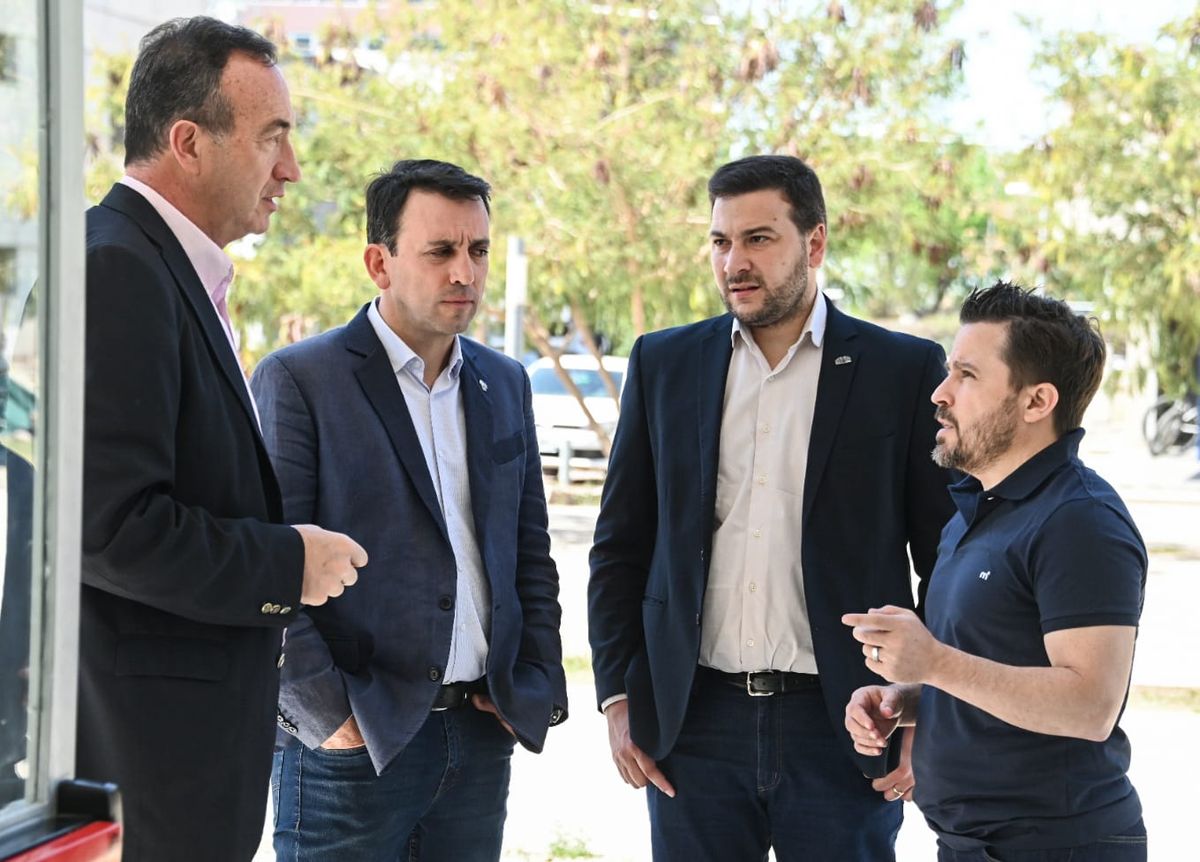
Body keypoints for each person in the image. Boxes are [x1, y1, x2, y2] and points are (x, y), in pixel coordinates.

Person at [588, 154, 954, 861]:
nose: (735, 263)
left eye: (759, 239)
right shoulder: (664, 364)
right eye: (721, 242)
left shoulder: (901, 370)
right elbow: (620, 548)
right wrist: (618, 699)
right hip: (694, 725)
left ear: (814, 244)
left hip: (846, 720)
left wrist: (924, 706)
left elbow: (944, 555)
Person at [80, 17, 366, 861]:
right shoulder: (120, 269)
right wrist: (290, 564)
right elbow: (109, 528)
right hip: (145, 775)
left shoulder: (159, 269)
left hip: (176, 770)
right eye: (272, 136)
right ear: (187, 142)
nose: (291, 168)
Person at [251, 159, 567, 861]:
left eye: (478, 250)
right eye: (441, 251)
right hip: (352, 747)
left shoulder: (504, 382)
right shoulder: (300, 380)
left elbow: (529, 551)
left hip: (480, 738)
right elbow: (269, 562)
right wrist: (324, 714)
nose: (466, 273)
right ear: (379, 262)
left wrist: (535, 682)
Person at [843, 282, 1147, 861]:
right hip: (970, 845)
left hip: (1059, 845)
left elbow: (1089, 706)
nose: (941, 393)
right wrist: (905, 698)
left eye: (967, 375)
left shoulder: (1080, 519)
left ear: (1037, 402)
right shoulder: (973, 512)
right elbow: (989, 669)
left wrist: (933, 662)